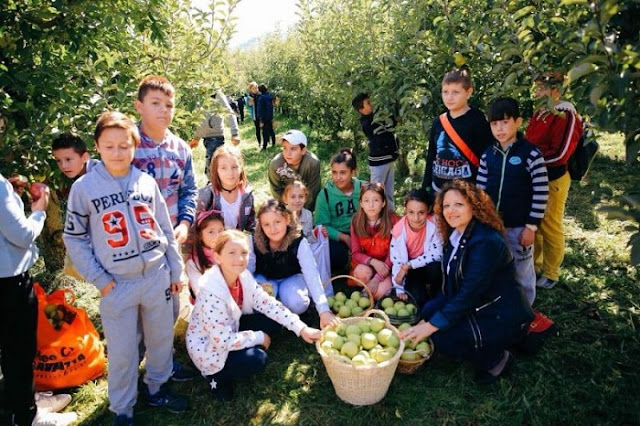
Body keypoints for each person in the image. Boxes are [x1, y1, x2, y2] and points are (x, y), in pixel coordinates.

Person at [63, 111, 188, 425]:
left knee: (160, 339)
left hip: (157, 276)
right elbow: (75, 238)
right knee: (122, 351)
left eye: (124, 146)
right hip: (117, 284)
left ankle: (157, 388)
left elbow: (164, 227)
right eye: (109, 146)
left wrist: (175, 269)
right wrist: (100, 280)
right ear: (97, 147)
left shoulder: (145, 181)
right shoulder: (84, 188)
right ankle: (123, 408)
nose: (117, 152)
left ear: (134, 146)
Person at [400, 180, 534, 384]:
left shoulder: (485, 242)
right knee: (427, 311)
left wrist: (430, 327)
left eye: (458, 204)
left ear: (473, 205)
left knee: (438, 337)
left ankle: (496, 358)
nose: (451, 211)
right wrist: (430, 320)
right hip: (477, 303)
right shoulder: (457, 234)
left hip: (497, 313)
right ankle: (467, 338)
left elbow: (469, 293)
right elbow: (455, 285)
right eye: (446, 206)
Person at [186, 230, 322, 401]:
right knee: (257, 359)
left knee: (273, 320)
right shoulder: (210, 292)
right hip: (209, 348)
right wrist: (257, 337)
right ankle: (216, 377)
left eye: (244, 253)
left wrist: (301, 328)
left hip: (231, 327)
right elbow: (222, 340)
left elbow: (267, 303)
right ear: (217, 257)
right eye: (232, 253)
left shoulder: (243, 276)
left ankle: (243, 351)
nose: (240, 259)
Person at [132, 74, 197, 382]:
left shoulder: (181, 148)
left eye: (168, 105)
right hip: (135, 245)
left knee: (170, 301)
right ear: (139, 106)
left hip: (170, 242)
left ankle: (163, 363)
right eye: (155, 103)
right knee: (138, 308)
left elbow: (189, 191)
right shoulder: (127, 145)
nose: (163, 110)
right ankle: (134, 364)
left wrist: (185, 222)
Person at [1, 173, 78, 426]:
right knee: (18, 349)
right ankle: (27, 415)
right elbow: (22, 235)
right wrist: (39, 210)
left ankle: (20, 400)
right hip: (8, 280)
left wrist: (9, 196)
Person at [477, 97, 549, 306]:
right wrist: (482, 220)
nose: (499, 128)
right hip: (492, 226)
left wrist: (531, 227)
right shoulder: (488, 155)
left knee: (522, 271)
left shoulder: (531, 154)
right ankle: (501, 308)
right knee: (495, 267)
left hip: (520, 227)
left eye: (505, 122)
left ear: (518, 122)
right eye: (494, 123)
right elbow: (480, 193)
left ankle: (525, 312)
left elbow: (541, 192)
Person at [525, 72, 584, 290]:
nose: (537, 92)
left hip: (553, 178)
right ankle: (535, 265)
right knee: (535, 223)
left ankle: (551, 272)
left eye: (541, 88)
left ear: (556, 91)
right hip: (534, 178)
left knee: (550, 225)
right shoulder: (541, 112)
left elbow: (561, 154)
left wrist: (531, 161)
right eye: (537, 88)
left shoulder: (565, 115)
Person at [250, 199, 338, 328]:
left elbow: (311, 273)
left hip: (291, 277)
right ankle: (276, 303)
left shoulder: (298, 241)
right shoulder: (253, 240)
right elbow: (245, 271)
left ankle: (284, 302)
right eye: (266, 225)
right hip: (265, 278)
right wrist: (256, 284)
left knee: (298, 304)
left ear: (287, 219)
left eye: (277, 222)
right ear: (261, 226)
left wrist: (324, 310)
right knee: (256, 302)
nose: (273, 229)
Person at [422, 67, 493, 192]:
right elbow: (431, 157)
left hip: (466, 194)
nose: (449, 97)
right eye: (445, 92)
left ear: (468, 92)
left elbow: (487, 159)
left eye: (455, 92)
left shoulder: (477, 121)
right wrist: (425, 190)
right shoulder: (438, 122)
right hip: (439, 192)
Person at [52, 133, 100, 279]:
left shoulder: (99, 175)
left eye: (68, 159)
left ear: (84, 157)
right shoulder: (83, 177)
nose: (63, 166)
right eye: (58, 161)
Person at [389, 188, 443, 307]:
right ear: (405, 211)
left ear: (428, 210)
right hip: (412, 271)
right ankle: (420, 291)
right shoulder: (398, 231)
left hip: (427, 265)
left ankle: (436, 290)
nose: (416, 218)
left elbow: (437, 253)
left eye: (421, 212)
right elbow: (397, 261)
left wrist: (408, 265)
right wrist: (399, 288)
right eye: (411, 212)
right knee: (417, 300)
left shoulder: (434, 225)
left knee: (436, 269)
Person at [314, 148, 363, 273]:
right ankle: (348, 261)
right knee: (334, 256)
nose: (338, 177)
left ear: (353, 172)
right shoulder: (324, 195)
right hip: (338, 235)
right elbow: (321, 225)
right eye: (334, 172)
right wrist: (344, 238)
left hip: (362, 231)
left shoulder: (364, 188)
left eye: (343, 173)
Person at [349, 182, 399, 300]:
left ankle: (374, 286)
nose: (371, 205)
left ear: (383, 203)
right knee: (360, 273)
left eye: (376, 200)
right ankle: (367, 287)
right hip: (369, 263)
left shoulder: (393, 220)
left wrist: (377, 278)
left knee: (380, 293)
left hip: (388, 265)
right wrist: (373, 262)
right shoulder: (357, 221)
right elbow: (355, 253)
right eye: (366, 200)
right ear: (361, 203)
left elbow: (394, 254)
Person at [282, 180, 332, 292]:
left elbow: (308, 237)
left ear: (305, 198)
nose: (297, 200)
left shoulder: (308, 215)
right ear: (285, 199)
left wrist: (314, 235)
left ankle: (316, 281)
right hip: (286, 252)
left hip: (302, 250)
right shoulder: (282, 215)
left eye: (301, 196)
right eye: (293, 197)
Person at [352, 93, 399, 209]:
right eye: (368, 103)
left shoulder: (377, 116)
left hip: (389, 159)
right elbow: (387, 127)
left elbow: (392, 123)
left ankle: (390, 218)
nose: (371, 104)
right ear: (361, 110)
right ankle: (374, 218)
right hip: (379, 162)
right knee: (376, 193)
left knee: (389, 193)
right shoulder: (367, 123)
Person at [196, 146, 255, 232]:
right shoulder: (206, 196)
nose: (230, 173)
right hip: (211, 244)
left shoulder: (247, 194)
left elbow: (251, 225)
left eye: (234, 167)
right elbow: (194, 229)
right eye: (223, 168)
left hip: (234, 242)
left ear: (241, 167)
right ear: (216, 170)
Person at [189, 88, 240, 178]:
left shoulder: (217, 95)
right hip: (206, 138)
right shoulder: (198, 97)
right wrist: (196, 137)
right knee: (213, 164)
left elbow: (229, 113)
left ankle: (214, 184)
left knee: (212, 165)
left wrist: (235, 133)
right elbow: (200, 121)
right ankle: (216, 184)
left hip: (216, 136)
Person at [268, 129, 321, 211]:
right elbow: (276, 191)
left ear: (303, 150)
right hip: (286, 205)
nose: (287, 153)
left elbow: (313, 191)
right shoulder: (276, 164)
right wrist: (287, 211)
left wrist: (303, 212)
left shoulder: (312, 163)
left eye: (293, 149)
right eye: (285, 148)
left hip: (306, 205)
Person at [186, 210, 225, 303]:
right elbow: (199, 291)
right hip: (208, 307)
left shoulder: (228, 252)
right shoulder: (193, 262)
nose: (217, 236)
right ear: (200, 235)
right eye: (211, 232)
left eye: (220, 231)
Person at [257, 84, 276, 150]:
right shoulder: (269, 96)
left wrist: (261, 119)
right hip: (270, 116)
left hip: (264, 117)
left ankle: (264, 146)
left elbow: (260, 109)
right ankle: (273, 143)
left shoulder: (261, 98)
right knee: (271, 130)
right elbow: (271, 107)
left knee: (264, 132)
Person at [246, 82, 261, 147]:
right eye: (254, 88)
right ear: (250, 89)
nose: (255, 89)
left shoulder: (260, 95)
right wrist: (251, 102)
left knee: (265, 128)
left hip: (262, 114)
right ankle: (259, 142)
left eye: (256, 88)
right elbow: (248, 106)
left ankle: (266, 141)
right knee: (258, 129)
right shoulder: (249, 97)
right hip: (255, 115)